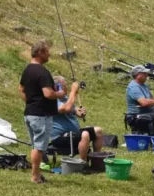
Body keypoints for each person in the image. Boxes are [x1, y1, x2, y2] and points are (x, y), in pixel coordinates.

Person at [19, 41, 77, 184]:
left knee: (35, 145)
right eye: (47, 51)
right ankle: (35, 176)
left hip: (30, 113)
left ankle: (37, 173)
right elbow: (48, 94)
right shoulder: (42, 72)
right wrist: (61, 93)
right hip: (41, 115)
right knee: (40, 147)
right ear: (40, 53)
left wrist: (30, 102)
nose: (49, 54)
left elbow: (21, 89)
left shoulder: (27, 70)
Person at [50, 77, 105, 161]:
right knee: (85, 134)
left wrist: (81, 112)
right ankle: (83, 163)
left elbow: (76, 111)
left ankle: (96, 159)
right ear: (57, 87)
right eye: (64, 85)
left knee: (98, 131)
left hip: (73, 134)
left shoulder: (65, 98)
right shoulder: (53, 101)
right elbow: (66, 108)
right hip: (59, 137)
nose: (67, 87)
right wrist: (73, 92)